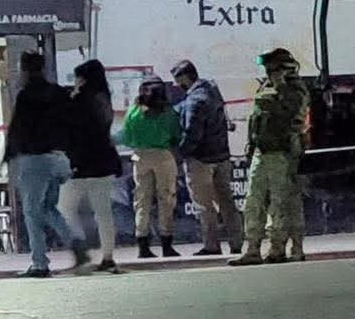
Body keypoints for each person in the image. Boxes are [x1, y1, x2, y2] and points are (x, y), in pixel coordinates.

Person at [6, 50, 88, 278]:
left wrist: (9, 156)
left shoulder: (25, 95)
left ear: (23, 68)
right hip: (59, 159)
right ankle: (75, 242)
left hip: (35, 160)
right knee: (48, 208)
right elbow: (72, 123)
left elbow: (17, 129)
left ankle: (40, 263)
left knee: (32, 212)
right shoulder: (58, 92)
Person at [230, 48, 310, 266]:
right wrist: (251, 144)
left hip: (282, 152)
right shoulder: (265, 86)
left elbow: (290, 113)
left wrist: (281, 85)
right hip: (262, 151)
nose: (267, 72)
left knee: (280, 202)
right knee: (253, 201)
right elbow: (257, 117)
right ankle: (252, 248)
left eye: (271, 68)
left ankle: (277, 248)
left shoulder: (294, 88)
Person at [172, 59, 243, 256]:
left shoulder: (195, 100)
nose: (176, 85)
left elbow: (192, 133)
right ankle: (236, 242)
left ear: (185, 77)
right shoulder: (213, 91)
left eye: (178, 80)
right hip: (222, 156)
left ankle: (212, 245)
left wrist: (180, 155)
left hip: (201, 160)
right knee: (227, 202)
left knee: (205, 205)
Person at [60, 60, 124, 274]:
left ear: (83, 78)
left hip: (80, 164)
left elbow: (70, 131)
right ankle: (108, 256)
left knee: (65, 208)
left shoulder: (78, 99)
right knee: (103, 212)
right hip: (103, 163)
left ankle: (80, 247)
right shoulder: (104, 99)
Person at [122, 77, 182, 258]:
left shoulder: (133, 112)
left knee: (142, 201)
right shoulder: (168, 112)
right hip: (163, 156)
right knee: (166, 199)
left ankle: (143, 245)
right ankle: (166, 244)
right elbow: (176, 136)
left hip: (140, 156)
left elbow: (127, 138)